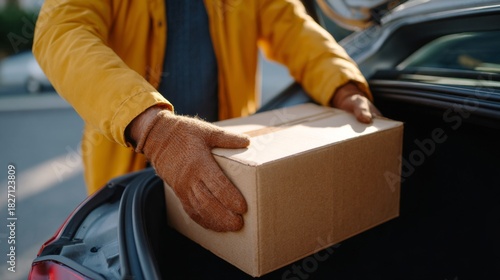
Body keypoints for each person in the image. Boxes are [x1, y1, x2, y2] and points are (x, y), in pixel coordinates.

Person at [33, 0, 380, 232]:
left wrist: (341, 84)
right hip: (130, 175)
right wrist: (152, 127)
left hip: (225, 167)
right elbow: (61, 33)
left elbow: (292, 27)